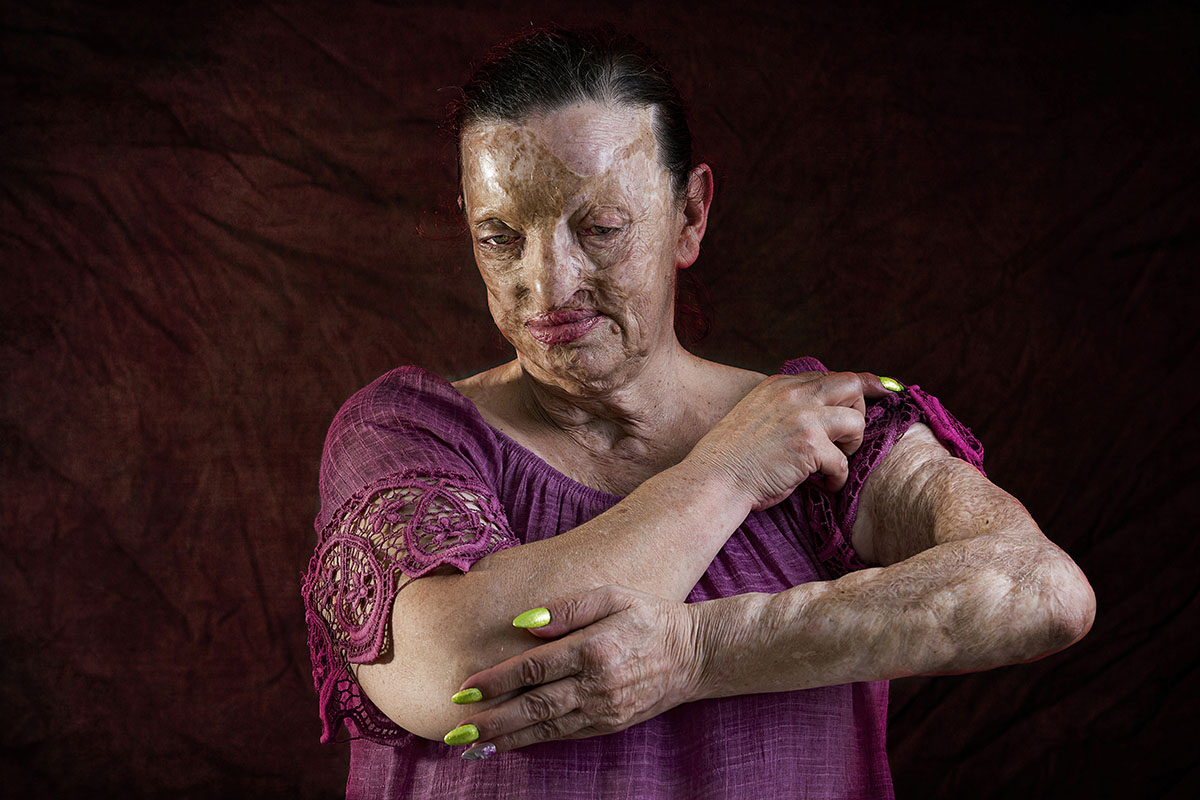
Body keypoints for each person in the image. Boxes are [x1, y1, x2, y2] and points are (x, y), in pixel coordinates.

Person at [301, 26, 1095, 799]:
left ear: (690, 216)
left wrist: (699, 652)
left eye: (601, 229)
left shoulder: (820, 426)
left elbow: (1041, 590)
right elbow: (453, 668)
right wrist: (727, 472)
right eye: (500, 237)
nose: (548, 284)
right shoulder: (407, 432)